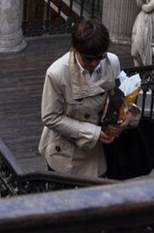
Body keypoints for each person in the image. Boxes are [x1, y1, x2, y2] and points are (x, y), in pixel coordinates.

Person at [38, 18, 140, 180]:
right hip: (67, 155)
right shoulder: (57, 73)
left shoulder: (112, 62)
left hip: (100, 154)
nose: (94, 63)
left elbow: (119, 97)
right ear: (74, 50)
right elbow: (50, 117)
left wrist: (127, 117)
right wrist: (94, 133)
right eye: (87, 58)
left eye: (99, 57)